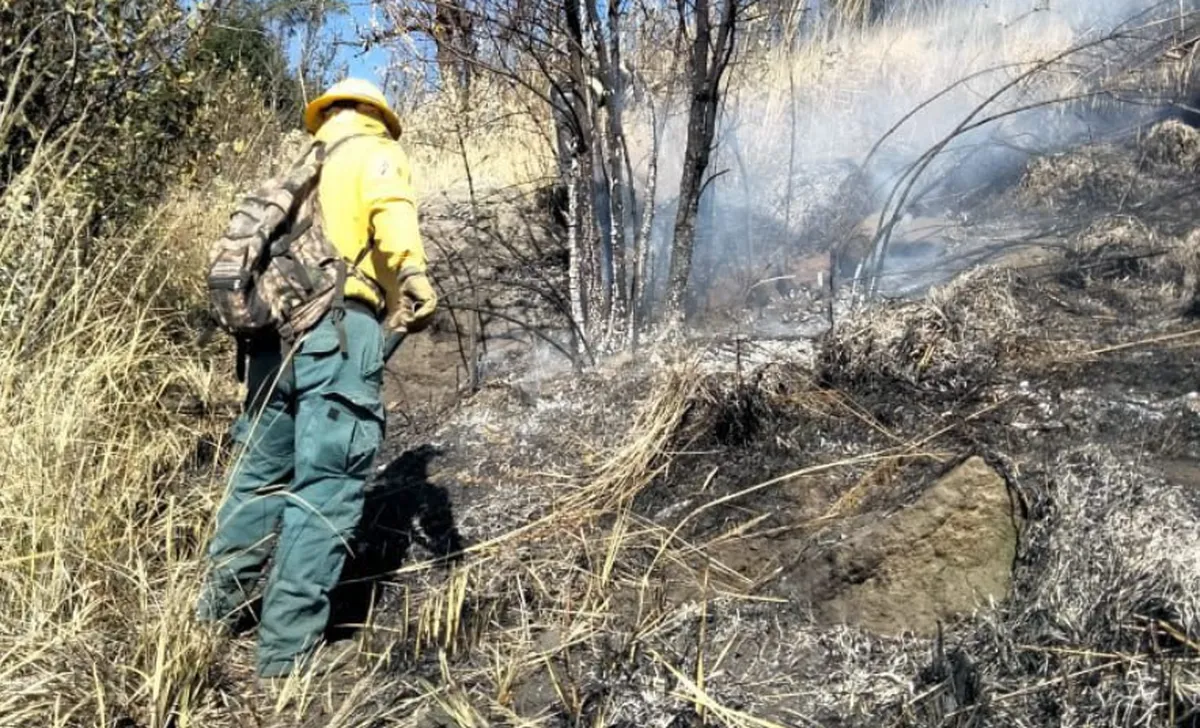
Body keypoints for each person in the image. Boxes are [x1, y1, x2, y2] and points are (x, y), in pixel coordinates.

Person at [195, 78, 437, 679]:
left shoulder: (302, 170)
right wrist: (413, 275)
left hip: (271, 345)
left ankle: (216, 619)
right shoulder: (375, 152)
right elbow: (392, 212)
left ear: (326, 115)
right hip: (335, 330)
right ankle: (284, 653)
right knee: (325, 488)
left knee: (256, 481)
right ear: (376, 115)